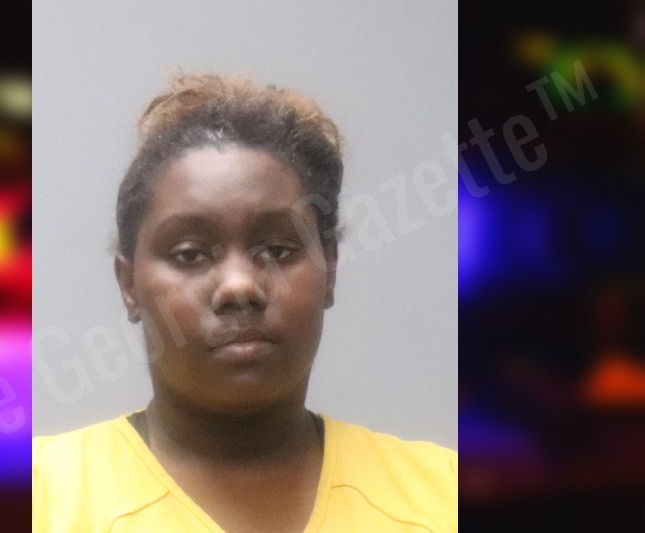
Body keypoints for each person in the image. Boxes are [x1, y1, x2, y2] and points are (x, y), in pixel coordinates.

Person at [32, 73, 457, 532]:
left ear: (329, 270)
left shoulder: (444, 496)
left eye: (277, 250)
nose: (239, 286)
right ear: (129, 285)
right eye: (189, 254)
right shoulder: (38, 498)